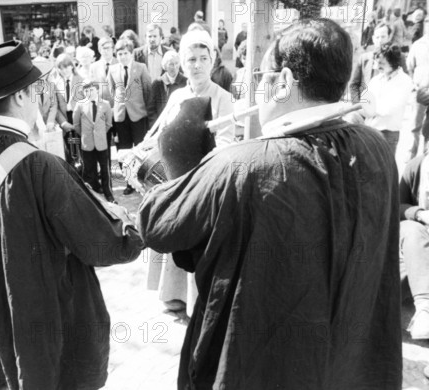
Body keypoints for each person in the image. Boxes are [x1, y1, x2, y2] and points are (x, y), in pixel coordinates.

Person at [138, 18, 401, 389]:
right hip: (349, 364)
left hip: (260, 369)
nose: (260, 85)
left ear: (286, 80)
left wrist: (178, 161)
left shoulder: (243, 166)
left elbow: (157, 223)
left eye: (264, 75)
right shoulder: (377, 148)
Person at [0, 40, 143, 389]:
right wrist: (132, 226)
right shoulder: (41, 165)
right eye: (36, 88)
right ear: (22, 97)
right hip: (52, 301)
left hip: (4, 293)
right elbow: (102, 242)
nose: (40, 94)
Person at [143, 29, 234, 320]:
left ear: (212, 60)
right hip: (174, 179)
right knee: (172, 232)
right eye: (190, 59)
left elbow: (228, 141)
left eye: (202, 58)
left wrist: (204, 170)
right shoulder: (177, 95)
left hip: (204, 183)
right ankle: (172, 296)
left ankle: (197, 302)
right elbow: (157, 132)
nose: (196, 65)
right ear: (182, 63)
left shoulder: (222, 98)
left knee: (196, 241)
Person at [107, 38, 152, 195]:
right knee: (124, 150)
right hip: (121, 116)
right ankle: (129, 182)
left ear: (131, 53)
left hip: (138, 115)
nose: (123, 57)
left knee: (140, 150)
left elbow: (148, 91)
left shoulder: (141, 68)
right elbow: (112, 91)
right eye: (120, 54)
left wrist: (145, 112)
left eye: (126, 53)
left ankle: (142, 179)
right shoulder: (112, 70)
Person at [362, 44, 415, 156]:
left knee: (385, 172)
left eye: (381, 63)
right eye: (377, 62)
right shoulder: (376, 79)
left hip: (388, 135)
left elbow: (389, 109)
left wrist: (370, 108)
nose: (377, 66)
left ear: (393, 62)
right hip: (369, 131)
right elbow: (364, 101)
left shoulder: (405, 81)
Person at [400, 153, 429, 339]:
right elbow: (395, 205)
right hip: (417, 241)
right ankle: (424, 308)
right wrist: (419, 214)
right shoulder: (417, 166)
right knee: (411, 230)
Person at [73, 81, 115, 203]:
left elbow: (108, 123)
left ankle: (109, 194)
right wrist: (85, 136)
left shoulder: (105, 104)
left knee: (105, 169)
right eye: (86, 91)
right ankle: (94, 195)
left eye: (91, 90)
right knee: (89, 170)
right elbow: (76, 125)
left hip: (101, 143)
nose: (89, 93)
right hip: (87, 143)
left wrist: (100, 134)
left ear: (97, 90)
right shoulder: (80, 105)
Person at [349, 22, 407, 103]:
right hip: (366, 106)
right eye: (377, 37)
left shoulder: (399, 57)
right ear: (373, 38)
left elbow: (404, 84)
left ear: (389, 37)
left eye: (383, 37)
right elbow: (354, 84)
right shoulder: (364, 58)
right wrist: (357, 105)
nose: (380, 40)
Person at [406, 15, 429, 158]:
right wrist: (414, 84)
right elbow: (410, 67)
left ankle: (427, 155)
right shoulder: (418, 45)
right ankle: (411, 153)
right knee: (415, 124)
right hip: (420, 90)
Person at [147, 50, 187, 125]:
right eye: (171, 64)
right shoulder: (157, 83)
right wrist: (156, 126)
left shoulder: (186, 82)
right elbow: (151, 109)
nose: (174, 67)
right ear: (165, 66)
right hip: (162, 125)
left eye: (176, 63)